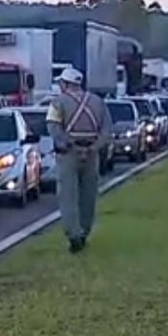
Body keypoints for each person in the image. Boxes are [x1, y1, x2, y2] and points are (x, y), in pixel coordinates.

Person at [45, 67, 112, 253]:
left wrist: (70, 145)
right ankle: (84, 231)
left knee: (68, 196)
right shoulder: (98, 102)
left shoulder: (57, 103)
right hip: (91, 154)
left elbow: (53, 128)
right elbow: (107, 130)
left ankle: (73, 234)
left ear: (65, 84)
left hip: (68, 154)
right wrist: (92, 148)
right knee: (88, 196)